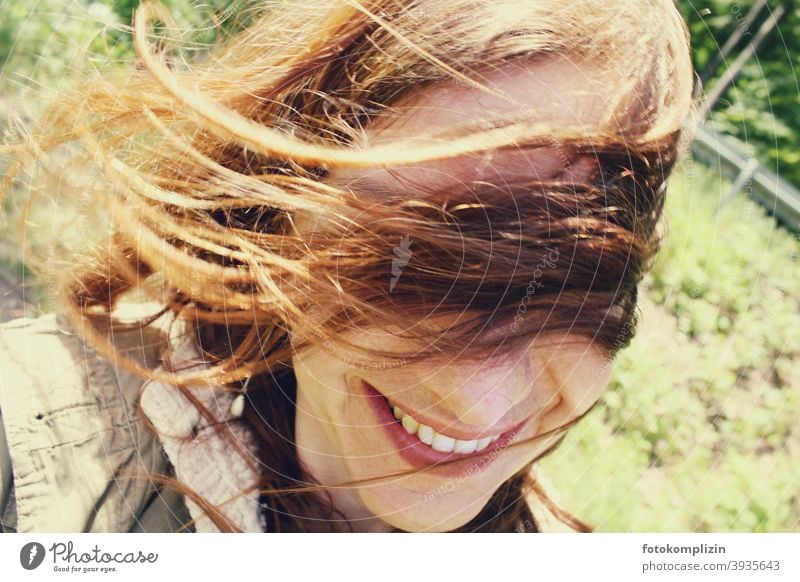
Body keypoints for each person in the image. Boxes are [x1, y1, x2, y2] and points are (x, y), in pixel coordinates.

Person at [0, 0, 697, 533]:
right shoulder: (32, 437)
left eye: (576, 290)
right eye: (413, 262)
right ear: (288, 196)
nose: (479, 404)